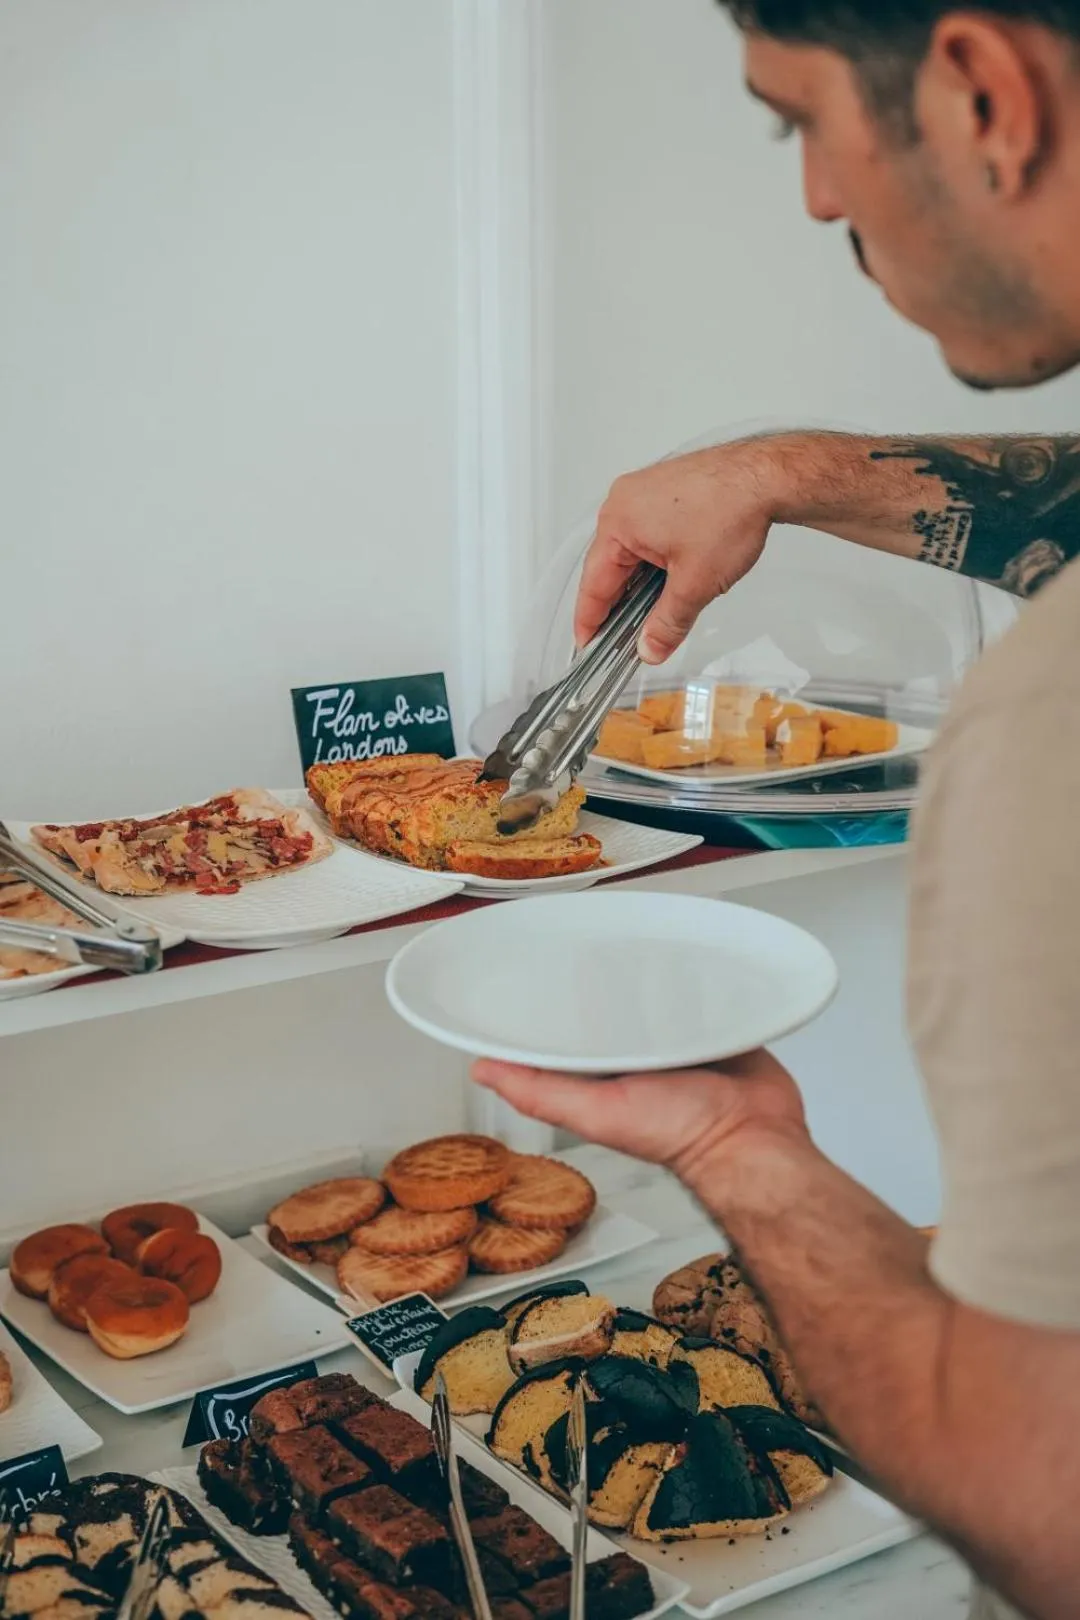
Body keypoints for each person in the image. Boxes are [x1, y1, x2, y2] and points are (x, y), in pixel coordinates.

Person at [472, 7, 1080, 1620]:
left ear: (982, 94)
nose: (816, 197)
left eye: (791, 118)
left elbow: (1049, 1504)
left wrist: (742, 1148)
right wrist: (790, 472)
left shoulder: (1054, 722)